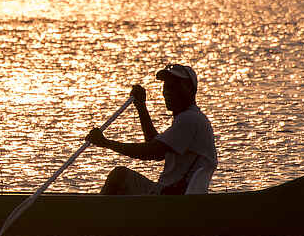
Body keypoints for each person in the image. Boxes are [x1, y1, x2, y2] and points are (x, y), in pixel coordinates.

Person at [87, 63, 217, 195]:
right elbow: (155, 148)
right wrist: (141, 106)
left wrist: (106, 143)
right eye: (166, 87)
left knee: (119, 175)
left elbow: (151, 152)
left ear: (189, 89)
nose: (167, 92)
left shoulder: (189, 119)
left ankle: (95, 208)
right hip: (172, 193)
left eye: (173, 87)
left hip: (173, 196)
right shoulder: (189, 118)